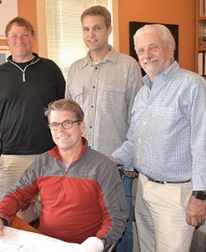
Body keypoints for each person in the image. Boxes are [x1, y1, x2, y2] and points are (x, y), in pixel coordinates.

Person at [0, 99, 128, 251]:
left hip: (85, 247)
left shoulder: (103, 167)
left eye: (67, 123)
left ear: (81, 126)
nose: (60, 130)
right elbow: (16, 193)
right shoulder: (42, 163)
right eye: (54, 125)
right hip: (47, 245)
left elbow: (116, 218)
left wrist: (95, 245)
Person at [111, 24, 206, 252]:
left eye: (153, 47)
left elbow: (203, 142)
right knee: (145, 248)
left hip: (176, 195)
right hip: (143, 189)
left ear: (170, 47)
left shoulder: (193, 86)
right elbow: (134, 141)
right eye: (141, 50)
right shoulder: (143, 93)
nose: (146, 55)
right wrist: (106, 162)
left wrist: (200, 195)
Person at [66, 5, 143, 251]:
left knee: (121, 225)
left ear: (108, 29)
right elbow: (68, 118)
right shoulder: (75, 69)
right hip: (82, 165)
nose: (91, 34)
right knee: (85, 223)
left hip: (115, 165)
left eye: (97, 28)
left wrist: (131, 159)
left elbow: (138, 117)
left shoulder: (128, 66)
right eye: (86, 29)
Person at [0, 17, 66, 205]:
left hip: (48, 155)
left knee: (52, 214)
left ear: (32, 38)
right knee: (8, 215)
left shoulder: (50, 69)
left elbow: (63, 111)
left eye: (25, 35)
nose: (19, 40)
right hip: (11, 158)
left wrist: (60, 150)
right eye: (14, 36)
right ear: (7, 39)